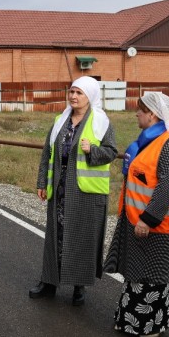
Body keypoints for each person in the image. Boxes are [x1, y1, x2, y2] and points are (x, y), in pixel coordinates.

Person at [104, 92, 169, 337]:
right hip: (144, 225)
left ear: (153, 114)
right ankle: (134, 322)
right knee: (140, 275)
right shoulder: (152, 141)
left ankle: (149, 325)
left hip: (160, 229)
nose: (136, 114)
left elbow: (167, 187)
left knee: (154, 278)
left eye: (140, 110)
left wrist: (148, 219)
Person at [29, 76, 118, 306]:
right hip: (60, 190)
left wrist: (93, 150)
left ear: (89, 96)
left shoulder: (101, 122)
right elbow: (47, 153)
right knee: (55, 236)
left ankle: (79, 287)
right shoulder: (60, 120)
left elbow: (111, 152)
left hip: (86, 193)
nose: (74, 96)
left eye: (79, 93)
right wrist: (42, 182)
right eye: (71, 92)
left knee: (81, 238)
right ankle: (49, 282)